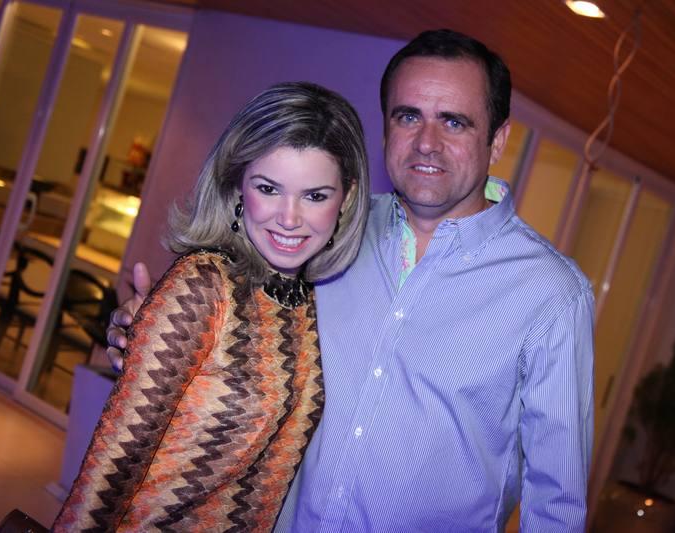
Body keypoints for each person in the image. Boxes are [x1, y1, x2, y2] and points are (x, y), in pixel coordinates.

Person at [107, 30, 595, 532]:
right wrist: (151, 328)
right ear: (385, 129)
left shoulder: (552, 295)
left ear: (498, 139)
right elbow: (234, 317)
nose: (427, 142)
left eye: (454, 121)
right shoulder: (329, 231)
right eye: (408, 116)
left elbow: (556, 504)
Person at [53, 81, 371, 532]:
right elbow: (111, 469)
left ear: (347, 198)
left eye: (315, 195)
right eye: (269, 188)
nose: (289, 218)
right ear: (237, 185)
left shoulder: (316, 302)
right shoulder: (204, 286)